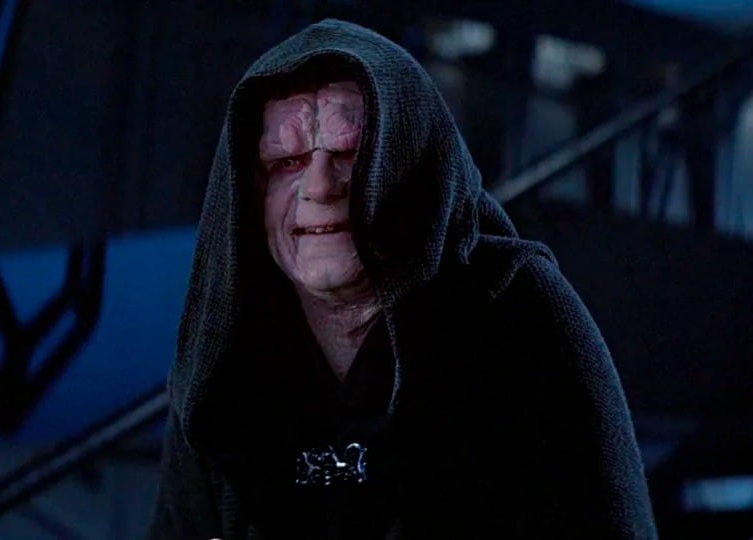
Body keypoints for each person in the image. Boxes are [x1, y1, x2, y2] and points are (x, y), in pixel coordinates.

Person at [148, 18, 658, 539]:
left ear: (412, 164)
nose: (319, 186)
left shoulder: (516, 313)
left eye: (350, 154)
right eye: (288, 161)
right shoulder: (228, 353)